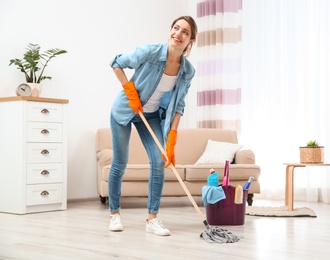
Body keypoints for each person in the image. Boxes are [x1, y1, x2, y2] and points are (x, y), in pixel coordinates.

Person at [108, 16, 198, 236]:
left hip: (151, 116)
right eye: (175, 28)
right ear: (170, 31)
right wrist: (130, 91)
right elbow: (116, 63)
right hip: (126, 110)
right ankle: (114, 214)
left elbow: (179, 105)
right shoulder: (150, 52)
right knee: (120, 162)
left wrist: (172, 138)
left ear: (190, 40)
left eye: (185, 32)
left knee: (159, 161)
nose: (178, 34)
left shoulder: (188, 71)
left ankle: (152, 219)